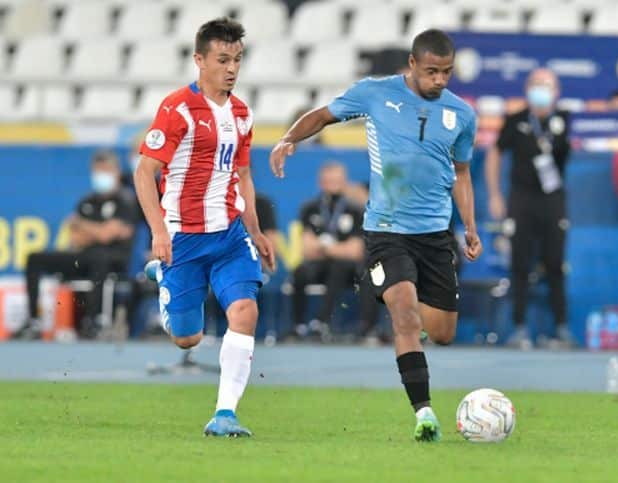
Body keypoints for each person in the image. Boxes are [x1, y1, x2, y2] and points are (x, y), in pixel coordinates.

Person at [270, 29, 482, 442]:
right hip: (386, 230)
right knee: (404, 315)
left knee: (441, 333)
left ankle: (401, 296)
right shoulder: (374, 93)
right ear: (412, 65)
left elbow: (462, 174)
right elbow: (323, 114)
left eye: (447, 73)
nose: (440, 80)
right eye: (432, 72)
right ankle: (424, 414)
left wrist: (470, 227)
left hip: (436, 234)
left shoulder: (463, 115)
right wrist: (288, 138)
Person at [133, 17, 275, 438]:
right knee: (187, 340)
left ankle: (224, 414)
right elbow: (145, 174)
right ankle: (162, 275)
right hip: (183, 238)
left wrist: (255, 228)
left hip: (230, 235)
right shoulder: (177, 110)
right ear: (199, 60)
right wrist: (159, 232)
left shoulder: (242, 113)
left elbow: (243, 175)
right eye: (222, 59)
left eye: (238, 60)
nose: (231, 69)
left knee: (245, 311)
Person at [485, 68, 573, 350]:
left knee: (555, 264)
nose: (541, 89)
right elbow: (495, 153)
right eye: (536, 84)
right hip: (521, 200)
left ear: (556, 91)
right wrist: (495, 194)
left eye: (547, 85)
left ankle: (561, 328)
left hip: (552, 200)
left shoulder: (565, 120)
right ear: (527, 89)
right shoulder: (516, 120)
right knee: (519, 264)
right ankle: (519, 327)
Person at [20, 150, 136, 338]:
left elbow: (106, 236)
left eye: (105, 170)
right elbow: (77, 238)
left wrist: (84, 225)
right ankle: (33, 321)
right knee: (35, 258)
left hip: (113, 259)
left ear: (116, 171)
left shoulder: (126, 201)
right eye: (97, 171)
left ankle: (92, 321)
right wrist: (99, 231)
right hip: (84, 256)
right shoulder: (86, 201)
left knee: (100, 258)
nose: (101, 176)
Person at [289, 162, 375, 340]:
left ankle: (323, 322)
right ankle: (298, 327)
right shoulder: (309, 208)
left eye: (337, 180)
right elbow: (307, 248)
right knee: (300, 272)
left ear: (344, 182)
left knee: (342, 266)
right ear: (321, 182)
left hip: (348, 269)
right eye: (329, 181)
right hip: (319, 265)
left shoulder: (356, 209)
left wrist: (324, 247)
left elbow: (356, 251)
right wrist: (338, 249)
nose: (333, 185)